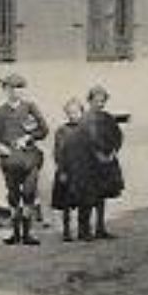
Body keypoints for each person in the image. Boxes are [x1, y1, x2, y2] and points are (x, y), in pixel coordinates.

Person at [0, 74, 47, 246]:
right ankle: (15, 233)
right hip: (10, 160)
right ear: (5, 90)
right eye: (12, 88)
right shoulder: (0, 112)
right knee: (13, 196)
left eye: (20, 88)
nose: (16, 92)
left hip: (30, 159)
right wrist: (0, 147)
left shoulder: (30, 108)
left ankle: (27, 233)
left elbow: (44, 130)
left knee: (29, 194)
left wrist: (28, 138)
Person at [80, 85, 124, 241]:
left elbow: (118, 136)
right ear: (90, 100)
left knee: (102, 196)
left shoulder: (108, 118)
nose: (100, 104)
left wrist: (112, 152)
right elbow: (83, 140)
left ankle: (100, 228)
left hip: (107, 162)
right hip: (89, 163)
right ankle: (84, 230)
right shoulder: (84, 119)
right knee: (88, 196)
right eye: (97, 101)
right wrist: (96, 154)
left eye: (102, 101)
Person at [50, 99, 94, 242]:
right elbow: (58, 152)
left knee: (85, 203)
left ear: (82, 112)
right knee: (66, 203)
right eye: (69, 113)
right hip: (67, 171)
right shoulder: (62, 131)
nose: (72, 115)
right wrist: (61, 171)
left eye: (75, 112)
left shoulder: (88, 130)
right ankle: (67, 231)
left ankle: (84, 230)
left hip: (85, 172)